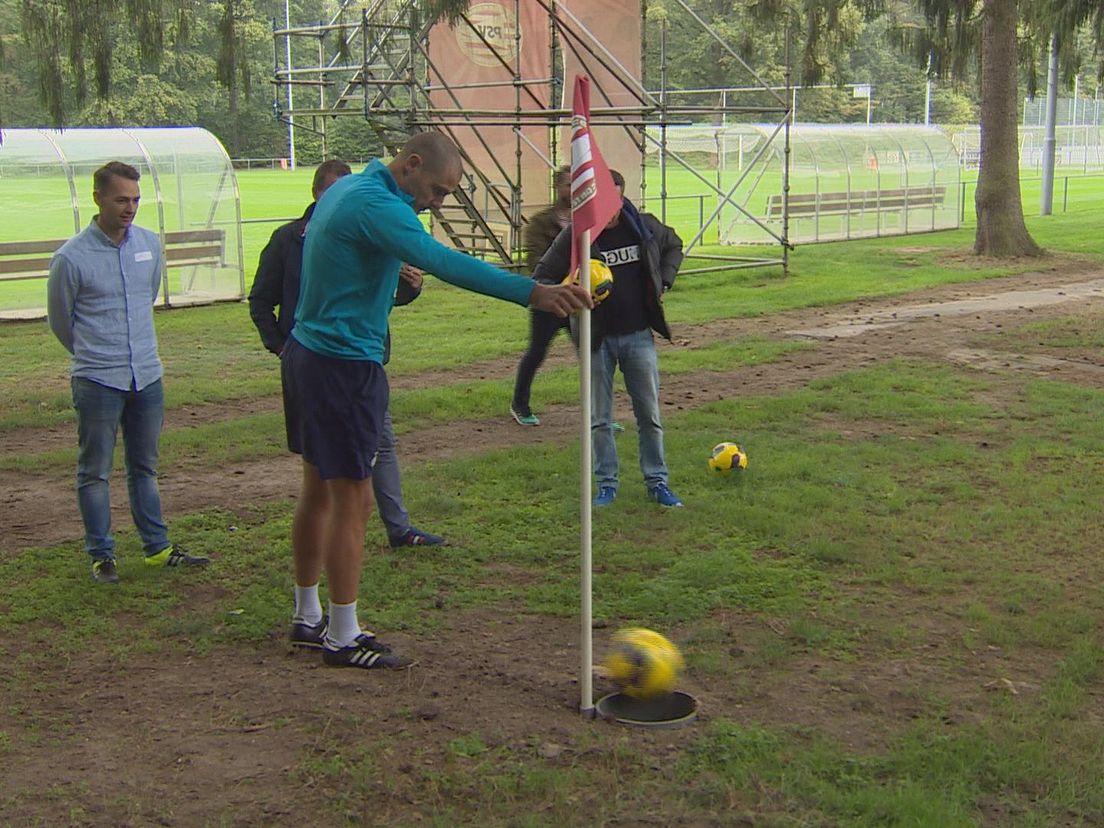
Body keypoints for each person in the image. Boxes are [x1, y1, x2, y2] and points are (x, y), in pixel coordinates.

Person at [282, 132, 592, 670]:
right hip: (344, 366)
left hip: (305, 354)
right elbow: (443, 262)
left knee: (318, 488)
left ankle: (308, 616)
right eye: (438, 191)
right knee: (353, 499)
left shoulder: (348, 189)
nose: (437, 202)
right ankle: (342, 634)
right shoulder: (379, 205)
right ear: (411, 163)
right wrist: (533, 291)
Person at [248, 161, 446, 549]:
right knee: (329, 484)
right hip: (317, 363)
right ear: (318, 195)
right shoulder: (289, 239)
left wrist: (411, 287)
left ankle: (398, 527)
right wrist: (281, 344)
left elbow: (385, 295)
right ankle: (321, 600)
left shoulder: (374, 224)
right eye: (336, 193)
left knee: (379, 448)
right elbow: (261, 299)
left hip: (362, 361)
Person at [46, 161, 210, 584]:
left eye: (136, 199)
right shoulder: (70, 258)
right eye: (122, 199)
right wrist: (95, 353)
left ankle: (157, 548)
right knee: (95, 471)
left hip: (147, 376)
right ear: (98, 196)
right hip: (98, 379)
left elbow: (147, 296)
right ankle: (102, 555)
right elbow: (62, 322)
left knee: (145, 467)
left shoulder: (150, 245)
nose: (130, 207)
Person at [533, 169, 685, 508]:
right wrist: (571, 286)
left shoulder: (642, 225)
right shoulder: (578, 234)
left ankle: (657, 482)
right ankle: (606, 485)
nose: (611, 208)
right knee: (599, 418)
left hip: (638, 337)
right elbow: (541, 274)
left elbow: (674, 244)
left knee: (649, 415)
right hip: (596, 340)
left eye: (616, 199)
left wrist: (665, 281)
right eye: (604, 200)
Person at [509, 166, 571, 426]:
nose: (573, 190)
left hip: (580, 299)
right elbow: (536, 263)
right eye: (568, 184)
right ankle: (519, 404)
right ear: (558, 187)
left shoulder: (589, 221)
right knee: (537, 352)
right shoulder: (540, 223)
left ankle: (599, 411)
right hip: (549, 299)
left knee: (593, 355)